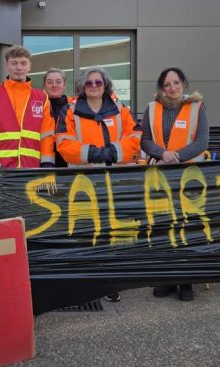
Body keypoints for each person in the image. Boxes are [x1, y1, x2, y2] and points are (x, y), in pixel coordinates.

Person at [55, 66, 142, 301]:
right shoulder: (70, 110)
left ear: (106, 86)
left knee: (111, 230)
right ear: (82, 86)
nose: (94, 86)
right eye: (90, 83)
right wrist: (93, 154)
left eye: (99, 83)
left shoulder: (120, 109)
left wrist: (113, 152)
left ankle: (110, 283)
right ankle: (86, 282)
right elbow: (63, 142)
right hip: (83, 181)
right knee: (84, 230)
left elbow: (135, 137)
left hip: (115, 180)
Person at [140, 67, 209, 302]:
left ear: (184, 84)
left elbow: (201, 142)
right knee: (162, 226)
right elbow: (145, 140)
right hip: (160, 175)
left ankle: (186, 281)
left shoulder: (197, 107)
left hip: (189, 175)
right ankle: (166, 278)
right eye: (167, 84)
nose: (172, 88)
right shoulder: (152, 109)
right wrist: (162, 153)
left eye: (176, 83)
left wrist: (176, 155)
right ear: (161, 87)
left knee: (186, 227)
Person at [0, 45, 56, 190]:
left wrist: (47, 170)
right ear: (7, 66)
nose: (19, 68)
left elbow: (47, 137)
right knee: (4, 214)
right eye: (14, 63)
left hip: (32, 173)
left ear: (30, 66)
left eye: (23, 63)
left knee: (29, 213)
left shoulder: (42, 98)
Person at [43, 67, 73, 167]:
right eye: (50, 82)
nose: (54, 85)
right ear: (45, 85)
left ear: (64, 85)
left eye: (58, 82)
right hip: (43, 162)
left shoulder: (74, 106)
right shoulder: (37, 105)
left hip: (70, 162)